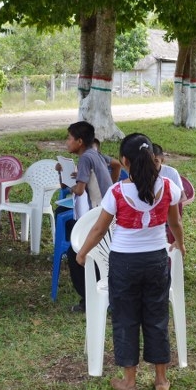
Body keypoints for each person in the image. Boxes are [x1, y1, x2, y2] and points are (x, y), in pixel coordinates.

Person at [75, 133, 185, 390]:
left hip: (124, 263)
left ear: (124, 161)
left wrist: (83, 254)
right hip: (157, 261)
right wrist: (180, 245)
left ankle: (129, 383)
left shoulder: (117, 192)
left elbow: (100, 229)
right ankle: (161, 380)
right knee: (157, 317)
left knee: (126, 319)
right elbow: (175, 224)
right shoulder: (169, 187)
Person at [58, 121, 113, 312]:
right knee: (95, 255)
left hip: (96, 215)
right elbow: (114, 164)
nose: (67, 142)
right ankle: (99, 297)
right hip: (106, 212)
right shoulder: (95, 154)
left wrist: (72, 185)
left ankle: (89, 300)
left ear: (79, 141)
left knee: (77, 255)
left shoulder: (84, 159)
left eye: (69, 138)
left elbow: (79, 191)